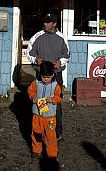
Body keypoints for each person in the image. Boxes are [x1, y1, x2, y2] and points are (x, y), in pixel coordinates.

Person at [27, 10, 70, 139]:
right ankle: (40, 130)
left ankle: (57, 131)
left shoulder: (62, 37)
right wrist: (36, 59)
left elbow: (67, 54)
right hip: (41, 75)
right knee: (40, 101)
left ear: (54, 24)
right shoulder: (37, 36)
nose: (45, 24)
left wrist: (60, 61)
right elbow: (29, 53)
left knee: (55, 102)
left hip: (56, 75)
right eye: (44, 22)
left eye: (48, 22)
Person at [27, 60, 62, 160]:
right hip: (37, 115)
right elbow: (30, 91)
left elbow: (59, 97)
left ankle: (52, 154)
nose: (46, 79)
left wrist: (53, 100)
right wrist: (33, 96)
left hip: (50, 116)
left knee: (50, 137)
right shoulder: (35, 83)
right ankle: (36, 151)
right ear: (40, 74)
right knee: (36, 134)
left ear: (53, 75)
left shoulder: (56, 86)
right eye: (44, 77)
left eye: (48, 77)